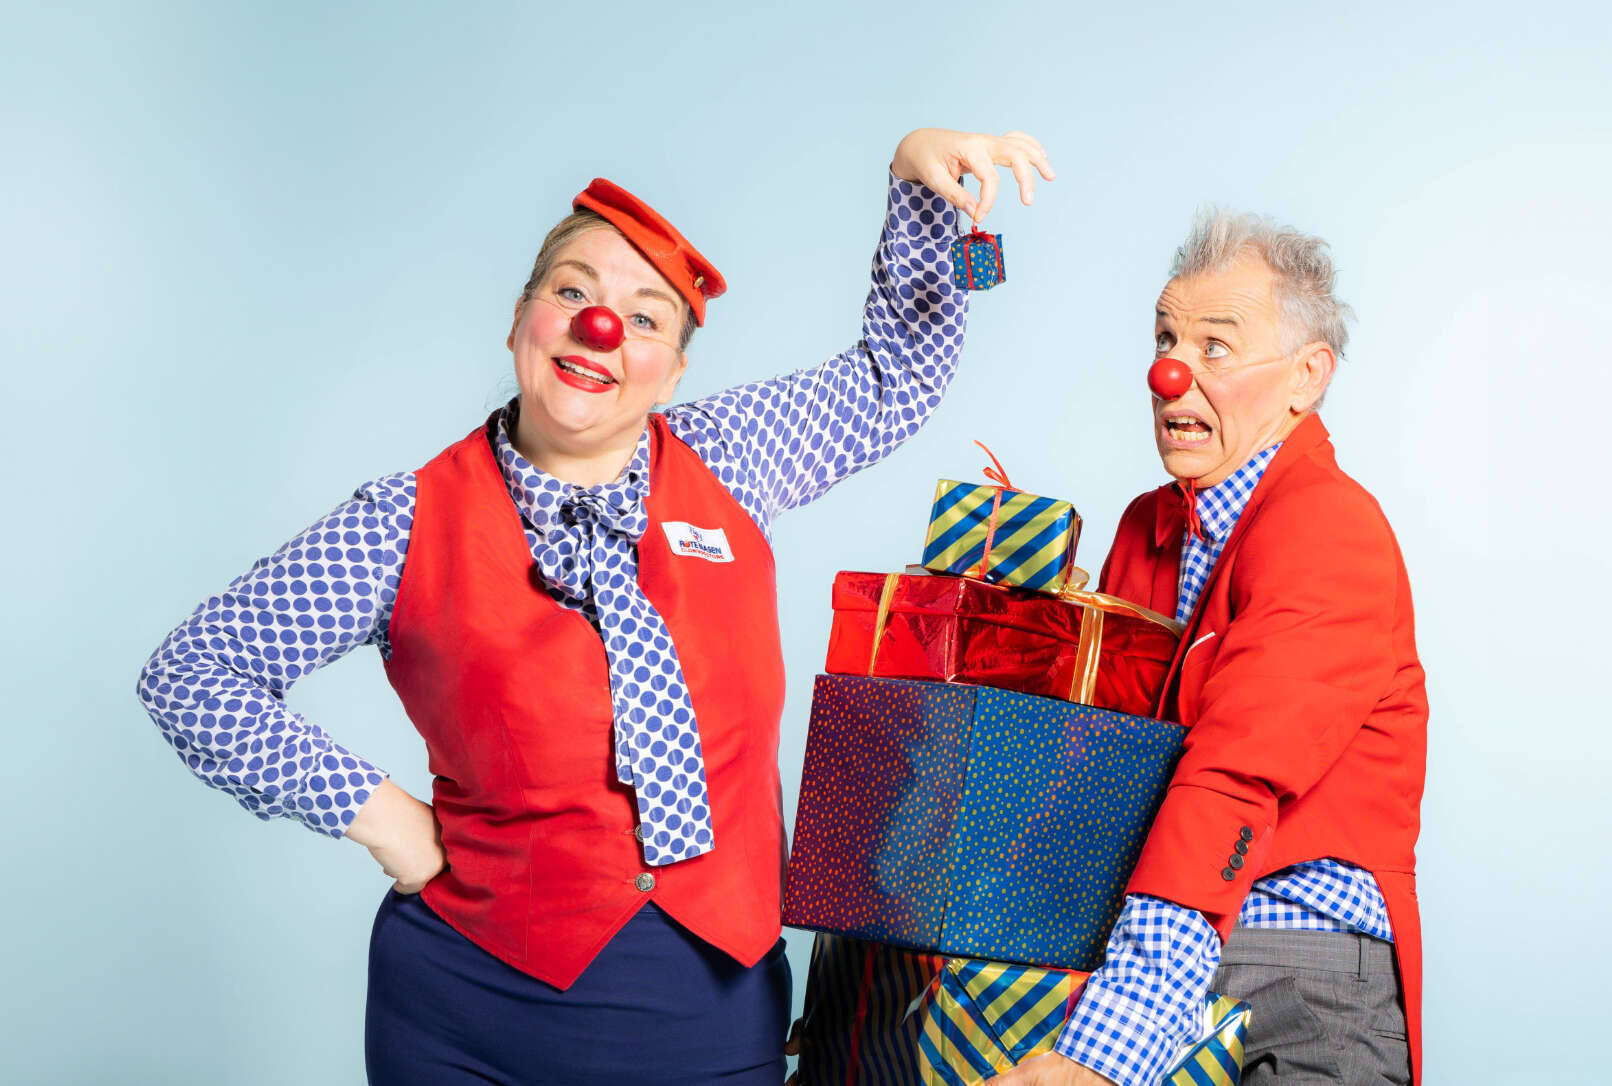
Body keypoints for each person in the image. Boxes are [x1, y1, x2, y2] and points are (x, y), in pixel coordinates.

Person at [136, 126, 1053, 1085]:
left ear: (676, 371)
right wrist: (381, 817)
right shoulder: (404, 521)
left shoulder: (731, 457)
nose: (601, 327)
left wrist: (912, 183)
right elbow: (192, 675)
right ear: (519, 319)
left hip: (710, 1014)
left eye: (646, 317)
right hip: (464, 1015)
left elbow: (892, 377)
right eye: (572, 291)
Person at [988, 213, 1426, 1085]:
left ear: (1308, 377)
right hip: (1140, 945)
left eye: (1216, 346)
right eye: (1165, 337)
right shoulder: (1147, 528)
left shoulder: (1331, 530)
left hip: (1301, 976)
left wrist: (1111, 1050)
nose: (1170, 372)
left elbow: (1231, 775)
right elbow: (1090, 772)